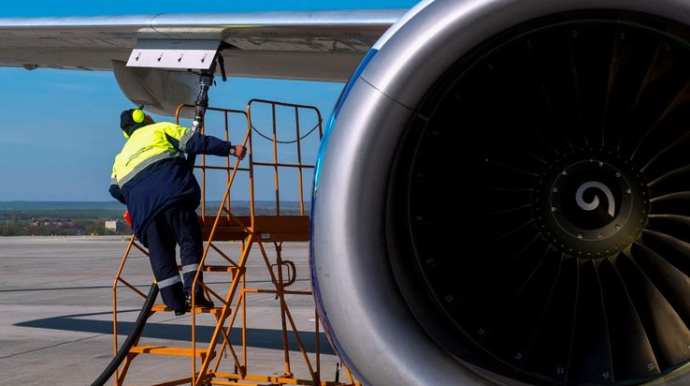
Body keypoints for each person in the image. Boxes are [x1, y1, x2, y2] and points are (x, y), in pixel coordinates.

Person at [109, 106, 246, 315]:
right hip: (173, 197)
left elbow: (115, 190)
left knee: (160, 254)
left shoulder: (120, 157)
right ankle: (194, 290)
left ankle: (175, 302)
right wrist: (230, 149)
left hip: (144, 215)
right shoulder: (160, 130)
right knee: (188, 240)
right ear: (141, 118)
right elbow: (196, 142)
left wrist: (139, 200)